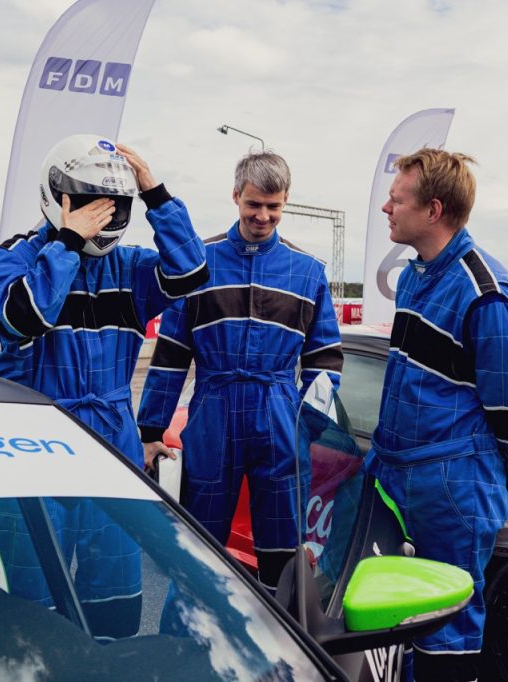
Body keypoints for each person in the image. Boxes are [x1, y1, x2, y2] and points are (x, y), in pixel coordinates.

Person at [0, 134, 208, 638]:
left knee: (114, 595)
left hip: (112, 446)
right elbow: (26, 316)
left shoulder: (131, 267)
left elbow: (192, 273)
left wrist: (155, 194)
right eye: (90, 203)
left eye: (113, 205)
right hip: (34, 448)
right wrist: (65, 243)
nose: (103, 217)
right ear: (58, 198)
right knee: (32, 606)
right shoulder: (8, 259)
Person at [366, 149, 508, 682]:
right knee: (395, 612)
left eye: (396, 200)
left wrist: (507, 476)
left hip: (452, 485)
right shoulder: (415, 277)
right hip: (396, 470)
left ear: (433, 210)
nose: (386, 208)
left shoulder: (486, 293)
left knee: (447, 624)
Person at [137, 151, 342, 592]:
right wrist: (150, 430)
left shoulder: (308, 272)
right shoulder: (199, 264)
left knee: (282, 551)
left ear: (286, 201)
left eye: (273, 206)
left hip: (280, 415)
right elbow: (171, 354)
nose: (263, 216)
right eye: (253, 204)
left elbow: (325, 359)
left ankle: (280, 628)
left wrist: (308, 425)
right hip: (214, 411)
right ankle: (193, 623)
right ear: (235, 196)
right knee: (200, 545)